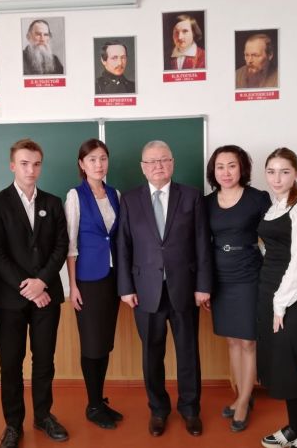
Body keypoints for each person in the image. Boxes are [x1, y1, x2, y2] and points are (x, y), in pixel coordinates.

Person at [117, 140, 212, 437]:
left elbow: (202, 243)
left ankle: (190, 409)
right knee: (151, 355)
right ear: (143, 167)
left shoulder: (192, 196)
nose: (158, 165)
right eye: (152, 161)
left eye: (163, 160)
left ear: (172, 163)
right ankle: (158, 410)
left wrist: (203, 285)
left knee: (188, 353)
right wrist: (125, 287)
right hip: (145, 291)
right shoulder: (129, 199)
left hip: (184, 288)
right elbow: (123, 245)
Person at [0, 139, 69, 448]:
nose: (30, 169)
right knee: (11, 363)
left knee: (44, 360)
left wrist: (42, 282)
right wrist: (29, 287)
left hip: (47, 296)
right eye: (24, 163)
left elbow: (61, 246)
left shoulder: (53, 203)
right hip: (9, 299)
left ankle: (43, 416)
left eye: (36, 164)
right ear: (12, 166)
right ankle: (13, 424)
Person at [257, 148, 297, 448]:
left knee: (290, 363)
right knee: (279, 363)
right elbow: (273, 248)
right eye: (271, 171)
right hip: (269, 289)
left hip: (290, 296)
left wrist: (280, 303)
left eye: (284, 172)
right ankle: (294, 427)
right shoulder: (276, 205)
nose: (277, 178)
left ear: (296, 173)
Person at [204, 145, 271, 432]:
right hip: (220, 276)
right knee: (232, 341)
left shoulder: (258, 198)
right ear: (213, 171)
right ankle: (241, 394)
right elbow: (202, 246)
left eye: (232, 165)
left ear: (242, 167)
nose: (226, 172)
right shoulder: (206, 203)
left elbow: (274, 238)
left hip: (249, 274)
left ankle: (244, 400)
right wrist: (205, 285)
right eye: (220, 166)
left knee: (248, 341)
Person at [65, 139, 123, 429]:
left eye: (102, 158)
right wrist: (72, 286)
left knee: (105, 342)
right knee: (92, 343)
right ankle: (93, 405)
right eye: (92, 159)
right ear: (82, 164)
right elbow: (70, 244)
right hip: (88, 280)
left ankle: (99, 400)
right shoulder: (75, 196)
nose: (98, 164)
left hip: (113, 277)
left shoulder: (115, 194)